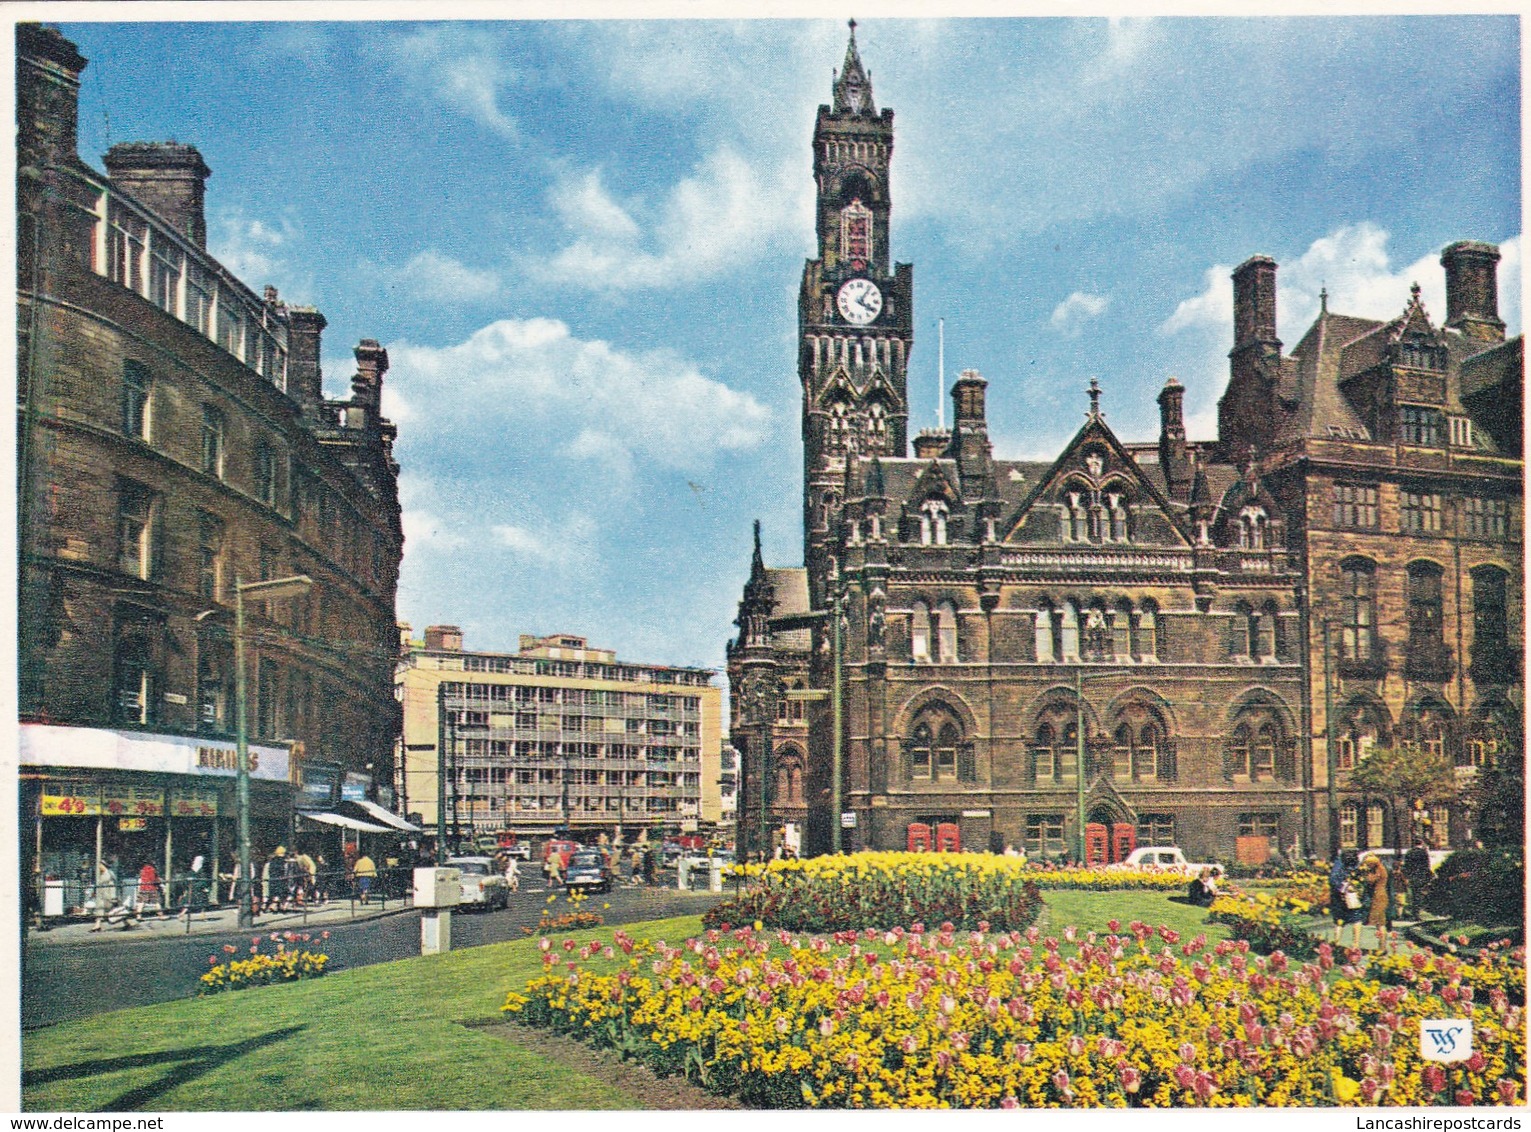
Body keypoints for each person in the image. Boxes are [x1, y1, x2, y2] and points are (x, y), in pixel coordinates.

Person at [1329, 849, 1363, 949]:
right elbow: (1334, 880)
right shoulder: (1344, 866)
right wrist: (1347, 887)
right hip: (1345, 896)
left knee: (1340, 920)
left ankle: (1338, 943)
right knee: (1356, 919)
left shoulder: (1338, 864)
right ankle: (1354, 944)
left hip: (1338, 896)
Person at [1360, 854, 1391, 953]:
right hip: (1380, 895)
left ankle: (1382, 947)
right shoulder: (1381, 868)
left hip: (1379, 897)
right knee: (1380, 923)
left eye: (1369, 865)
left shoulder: (1379, 870)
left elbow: (1370, 880)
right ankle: (1381, 946)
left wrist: (1365, 873)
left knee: (1380, 923)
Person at [89, 858, 119, 932]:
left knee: (115, 911)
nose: (98, 866)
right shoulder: (102, 874)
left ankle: (127, 922)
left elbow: (112, 886)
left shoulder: (109, 874)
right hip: (102, 896)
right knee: (100, 910)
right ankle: (97, 925)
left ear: (103, 865)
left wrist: (113, 897)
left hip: (108, 896)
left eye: (100, 865)